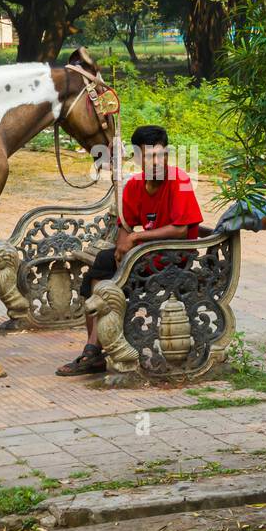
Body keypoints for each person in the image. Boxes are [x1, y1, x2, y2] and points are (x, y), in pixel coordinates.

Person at [56, 124, 203, 377]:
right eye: (149, 157)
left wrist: (135, 238)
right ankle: (94, 350)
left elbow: (180, 230)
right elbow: (125, 222)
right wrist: (124, 244)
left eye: (161, 155)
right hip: (143, 258)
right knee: (100, 269)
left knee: (105, 270)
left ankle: (94, 350)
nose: (156, 162)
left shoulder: (181, 181)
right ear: (138, 158)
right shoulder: (135, 186)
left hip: (172, 259)